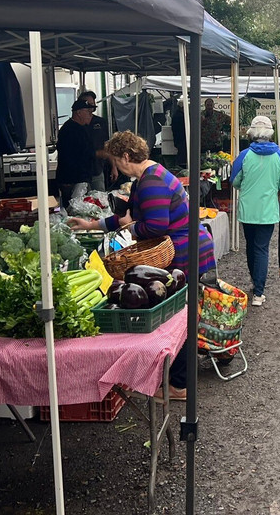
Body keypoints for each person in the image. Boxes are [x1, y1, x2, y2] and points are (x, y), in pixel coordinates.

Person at [67, 130, 216, 401]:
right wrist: (91, 224)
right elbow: (127, 216)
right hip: (183, 249)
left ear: (126, 156)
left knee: (180, 319)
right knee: (180, 316)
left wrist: (131, 228)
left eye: (116, 161)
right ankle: (175, 378)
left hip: (184, 252)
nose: (115, 167)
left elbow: (155, 226)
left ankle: (179, 385)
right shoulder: (146, 178)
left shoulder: (152, 182)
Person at [232, 115, 280, 306]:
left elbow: (235, 180)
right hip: (268, 210)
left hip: (247, 209)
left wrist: (247, 187)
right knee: (261, 248)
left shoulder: (244, 155)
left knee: (250, 246)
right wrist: (275, 186)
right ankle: (259, 293)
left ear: (252, 133)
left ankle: (254, 281)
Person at [55, 99, 96, 208]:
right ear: (78, 112)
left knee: (82, 207)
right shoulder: (69, 130)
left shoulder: (82, 128)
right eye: (88, 112)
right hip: (72, 179)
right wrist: (99, 153)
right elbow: (71, 156)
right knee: (74, 208)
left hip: (81, 178)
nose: (90, 115)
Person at [77, 90, 114, 191]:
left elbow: (108, 145)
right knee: (79, 198)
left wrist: (114, 167)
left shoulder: (100, 122)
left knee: (99, 196)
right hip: (80, 173)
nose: (91, 106)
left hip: (97, 170)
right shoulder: (76, 125)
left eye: (92, 103)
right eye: (88, 103)